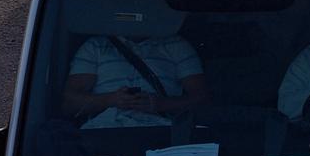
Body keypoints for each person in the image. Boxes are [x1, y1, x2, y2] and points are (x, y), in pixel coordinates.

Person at [63, 28, 207, 129]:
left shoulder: (177, 45)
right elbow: (69, 103)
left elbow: (202, 99)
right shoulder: (95, 46)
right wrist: (112, 100)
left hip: (162, 134)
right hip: (104, 131)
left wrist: (160, 104)